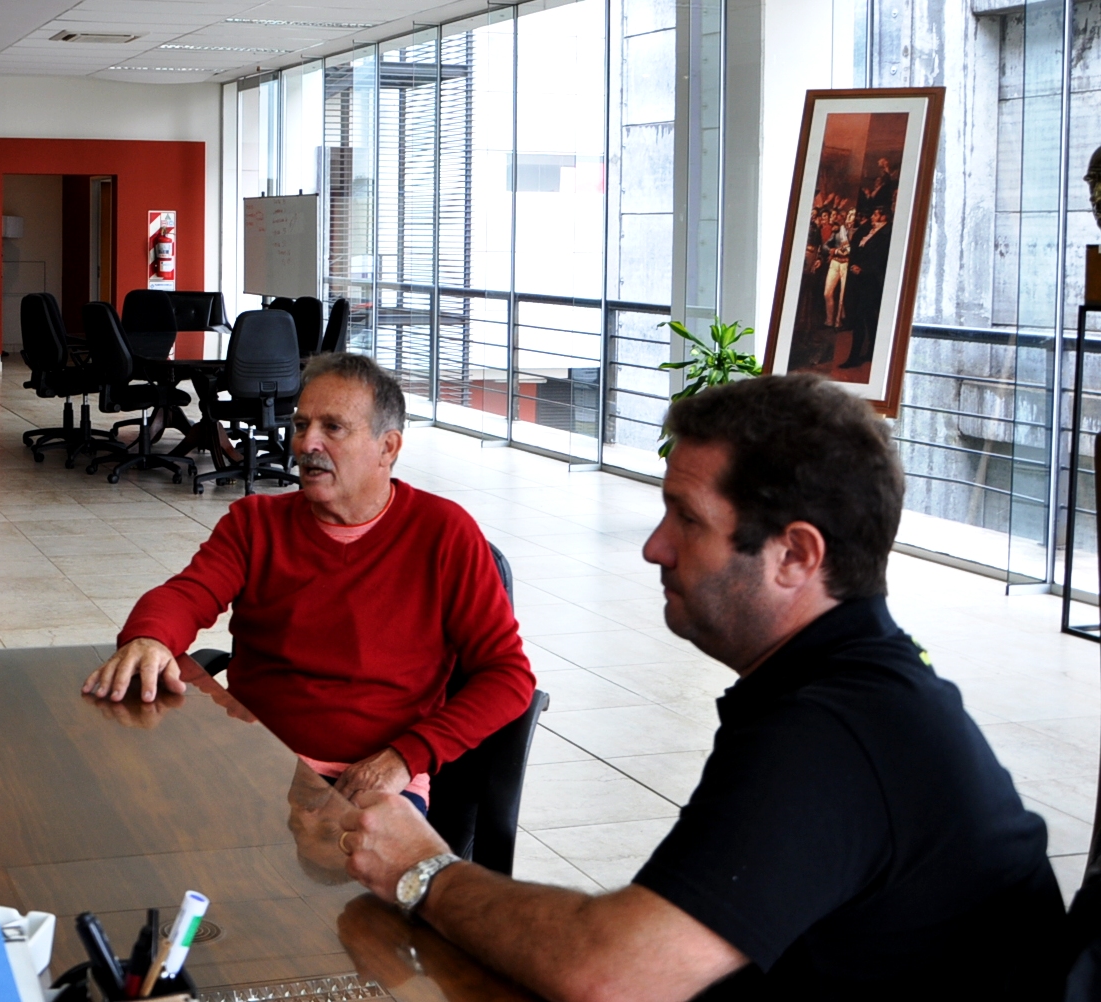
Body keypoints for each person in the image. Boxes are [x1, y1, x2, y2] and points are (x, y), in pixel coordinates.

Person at [338, 374, 1066, 1001]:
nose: (655, 546)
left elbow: (613, 973)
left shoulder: (838, 731)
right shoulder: (837, 688)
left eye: (687, 519)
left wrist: (422, 869)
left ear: (794, 555)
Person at [83, 352, 534, 807]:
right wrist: (150, 638)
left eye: (332, 428)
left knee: (333, 871)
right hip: (256, 760)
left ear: (388, 447)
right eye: (301, 426)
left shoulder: (444, 534)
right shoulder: (256, 523)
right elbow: (188, 594)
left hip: (373, 781)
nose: (306, 444)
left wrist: (404, 758)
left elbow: (507, 675)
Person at [841, 205, 893, 369]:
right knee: (868, 317)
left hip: (872, 281)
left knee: (860, 317)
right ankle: (871, 352)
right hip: (860, 280)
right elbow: (857, 242)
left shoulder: (887, 234)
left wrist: (863, 269)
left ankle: (854, 357)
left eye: (876, 214)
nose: (872, 217)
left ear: (884, 216)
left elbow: (882, 259)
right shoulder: (869, 230)